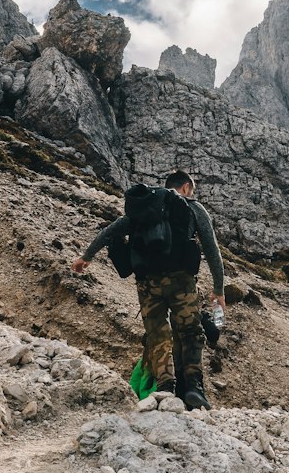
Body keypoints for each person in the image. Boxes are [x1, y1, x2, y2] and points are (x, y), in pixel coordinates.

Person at [72, 170, 225, 410]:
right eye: (191, 190)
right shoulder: (193, 208)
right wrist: (219, 289)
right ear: (185, 187)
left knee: (157, 335)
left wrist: (86, 257)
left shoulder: (145, 207)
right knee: (191, 331)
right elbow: (211, 249)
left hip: (147, 283)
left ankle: (165, 386)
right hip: (181, 280)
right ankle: (194, 386)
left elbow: (110, 231)